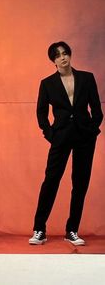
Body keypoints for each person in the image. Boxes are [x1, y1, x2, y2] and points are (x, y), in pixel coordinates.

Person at [29, 41, 103, 246]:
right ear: (53, 60)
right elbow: (41, 112)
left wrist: (92, 131)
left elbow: (97, 109)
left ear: (69, 55)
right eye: (57, 55)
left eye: (65, 53)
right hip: (60, 136)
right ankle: (39, 229)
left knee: (80, 183)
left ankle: (72, 230)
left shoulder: (87, 78)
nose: (63, 57)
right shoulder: (47, 83)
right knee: (51, 180)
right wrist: (50, 133)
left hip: (84, 137)